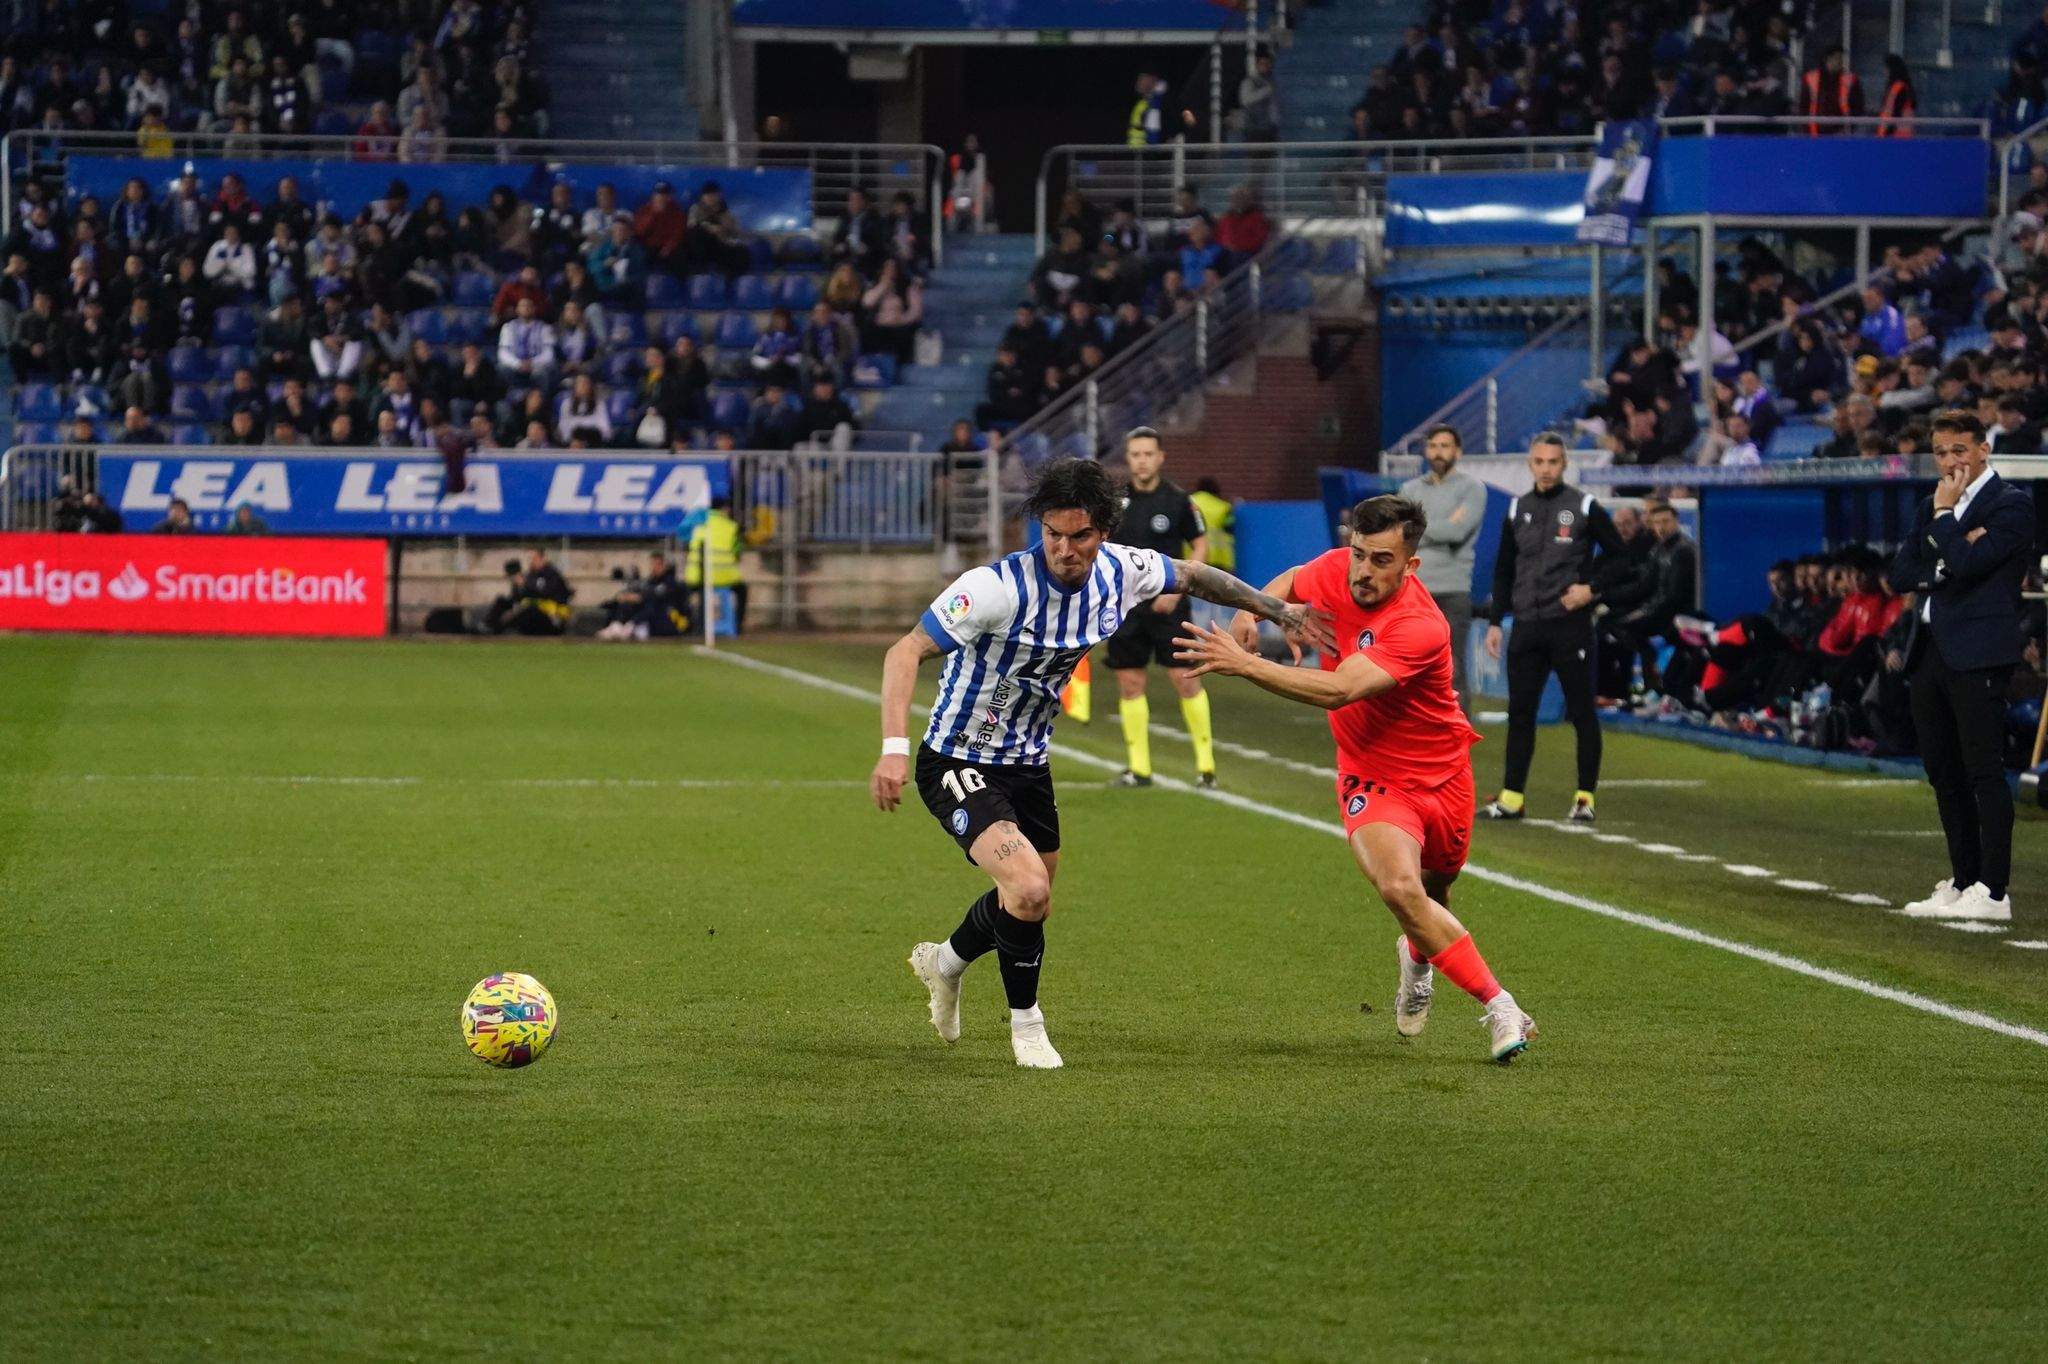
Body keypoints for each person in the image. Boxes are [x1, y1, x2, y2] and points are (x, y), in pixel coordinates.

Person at [873, 457, 1330, 1069]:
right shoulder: (994, 588)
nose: (1064, 549)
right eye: (1053, 534)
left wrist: (1275, 610)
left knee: (1030, 898)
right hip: (958, 757)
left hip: (1028, 762)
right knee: (1028, 888)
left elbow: (1194, 574)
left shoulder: (1125, 570)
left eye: (1079, 536)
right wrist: (894, 749)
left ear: (1104, 532)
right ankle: (1026, 1026)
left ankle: (945, 963)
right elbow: (905, 651)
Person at [1171, 494, 1537, 1064]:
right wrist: (1255, 613)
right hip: (1371, 773)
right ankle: (1501, 1005)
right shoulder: (1341, 569)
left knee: (1433, 894)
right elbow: (1294, 579)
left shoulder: (1420, 626)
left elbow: (1340, 688)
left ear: (1410, 565)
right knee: (1398, 887)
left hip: (1443, 778)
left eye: (1381, 561)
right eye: (1359, 555)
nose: (1363, 572)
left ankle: (1417, 959)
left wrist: (1247, 664)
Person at [1892, 410, 2038, 921]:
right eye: (1941, 452)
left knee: (1983, 771)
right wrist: (1947, 554)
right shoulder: (1933, 504)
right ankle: (1962, 879)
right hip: (1929, 647)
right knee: (1943, 772)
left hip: (1980, 651)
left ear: (1983, 450)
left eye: (1959, 450)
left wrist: (1946, 522)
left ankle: (1993, 891)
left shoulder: (2012, 505)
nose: (1950, 461)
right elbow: (1901, 572)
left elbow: (1975, 565)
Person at [1481, 435, 1625, 823]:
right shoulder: (1517, 508)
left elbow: (1622, 557)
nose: (1546, 468)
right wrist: (1496, 622)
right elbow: (1503, 569)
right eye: (1539, 461)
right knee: (1520, 713)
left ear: (1564, 465)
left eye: (1553, 462)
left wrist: (1591, 589)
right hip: (1526, 626)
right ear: (1530, 464)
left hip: (1570, 627)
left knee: (1581, 713)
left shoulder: (1584, 506)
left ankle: (1584, 797)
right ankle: (1512, 798)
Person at [1102, 428, 1214, 788]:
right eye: (1135, 454)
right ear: (1128, 458)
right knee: (1130, 682)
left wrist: (1179, 589)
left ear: (1160, 457)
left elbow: (1199, 546)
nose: (1142, 460)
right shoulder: (1114, 501)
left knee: (1185, 679)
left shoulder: (1179, 500)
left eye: (1148, 454)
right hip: (1126, 609)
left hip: (1170, 606)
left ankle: (1206, 767)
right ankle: (1140, 768)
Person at [1399, 424, 1487, 715]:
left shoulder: (1472, 488)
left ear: (1458, 451)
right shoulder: (1409, 489)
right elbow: (1401, 533)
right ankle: (1412, 727)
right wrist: (1436, 528)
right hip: (1413, 589)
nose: (1438, 452)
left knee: (1453, 665)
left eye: (1445, 446)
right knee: (1407, 664)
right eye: (1433, 446)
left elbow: (1457, 531)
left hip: (1452, 590)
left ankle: (1457, 732)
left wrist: (1419, 529)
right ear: (1426, 450)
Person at [1615, 501, 1699, 697]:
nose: (1661, 527)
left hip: (1678, 615)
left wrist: (1643, 612)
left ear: (1676, 522)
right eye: (1656, 522)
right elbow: (1645, 585)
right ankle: (1631, 686)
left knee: (1622, 626)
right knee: (1613, 623)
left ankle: (1648, 684)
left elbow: (1674, 596)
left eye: (1666, 521)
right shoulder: (1659, 549)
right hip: (1659, 609)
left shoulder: (1684, 551)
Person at [683, 496, 747, 635]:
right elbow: (737, 554)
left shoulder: (698, 525)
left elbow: (687, 546)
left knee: (684, 592)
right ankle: (737, 626)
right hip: (724, 578)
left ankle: (693, 626)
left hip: (697, 577)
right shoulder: (731, 527)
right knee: (742, 590)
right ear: (725, 509)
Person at [483, 549, 572, 634]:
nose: (531, 562)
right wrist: (517, 586)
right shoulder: (531, 574)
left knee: (529, 609)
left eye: (534, 559)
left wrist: (525, 583)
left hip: (551, 617)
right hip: (532, 613)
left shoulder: (552, 574)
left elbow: (544, 592)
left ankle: (497, 629)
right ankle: (486, 626)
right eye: (530, 559)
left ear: (543, 558)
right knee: (502, 600)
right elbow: (519, 598)